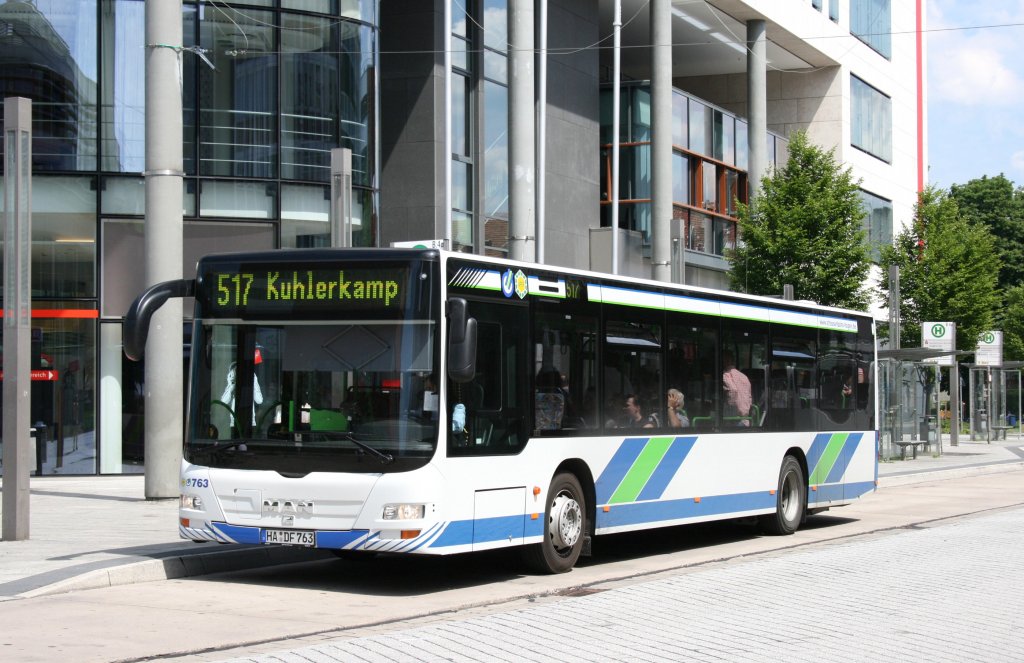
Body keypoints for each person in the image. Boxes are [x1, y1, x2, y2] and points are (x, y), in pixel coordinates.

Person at [721, 350, 751, 425]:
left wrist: (730, 412)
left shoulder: (725, 375)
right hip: (746, 420)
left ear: (725, 361)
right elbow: (749, 398)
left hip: (734, 421)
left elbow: (733, 391)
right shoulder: (744, 377)